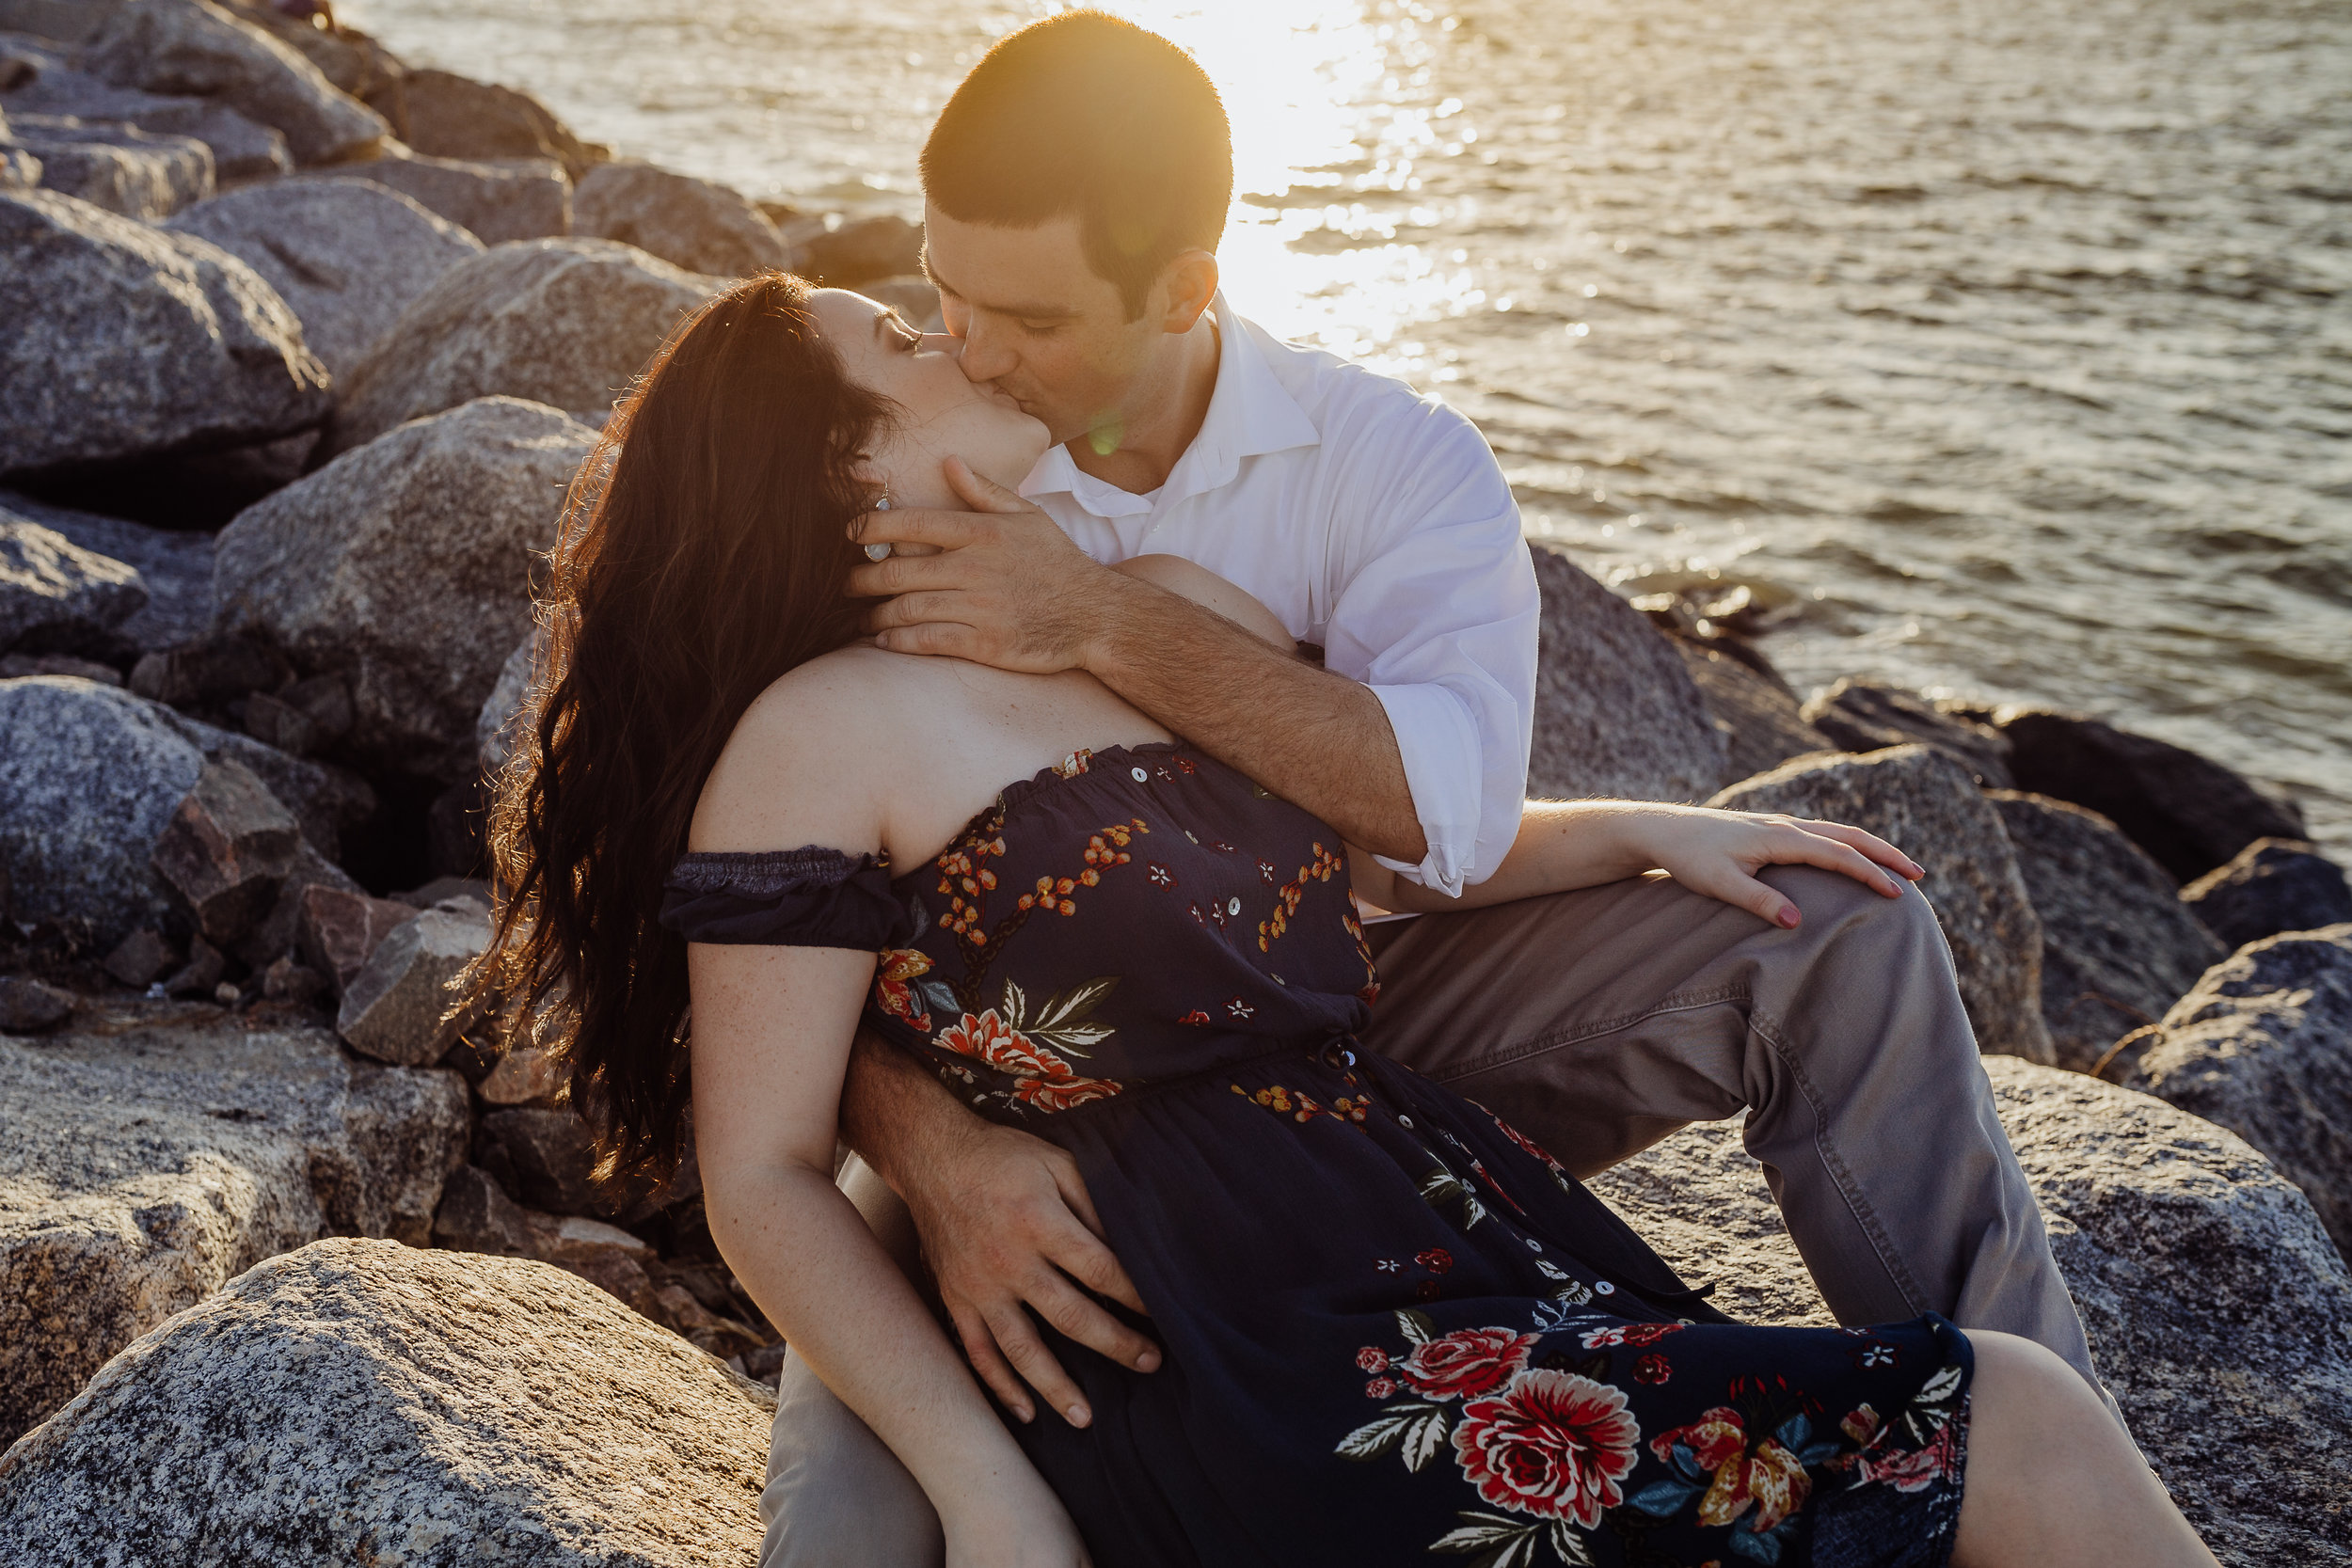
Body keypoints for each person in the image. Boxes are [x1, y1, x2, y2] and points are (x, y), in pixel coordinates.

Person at [472, 271, 2213, 1568]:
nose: (957, 338)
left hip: (1444, 1234)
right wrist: (996, 1507)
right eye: (906, 342)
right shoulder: (820, 738)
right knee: (2014, 1427)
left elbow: (1369, 860)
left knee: (2000, 1424)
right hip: (1220, 1342)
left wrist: (1633, 832)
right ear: (844, 473)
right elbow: (762, 1173)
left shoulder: (1155, 603)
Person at [731, 14, 2129, 1563]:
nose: (975, 348)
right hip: (1027, 1101)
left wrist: (1104, 619)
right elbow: (747, 918)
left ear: (1188, 285)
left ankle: (2023, 1484)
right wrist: (935, 1148)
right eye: (943, 297)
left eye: (1030, 318)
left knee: (1832, 922)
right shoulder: (925, 464)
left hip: (1361, 1039)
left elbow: (1433, 827)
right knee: (857, 1523)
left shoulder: (1390, 468)